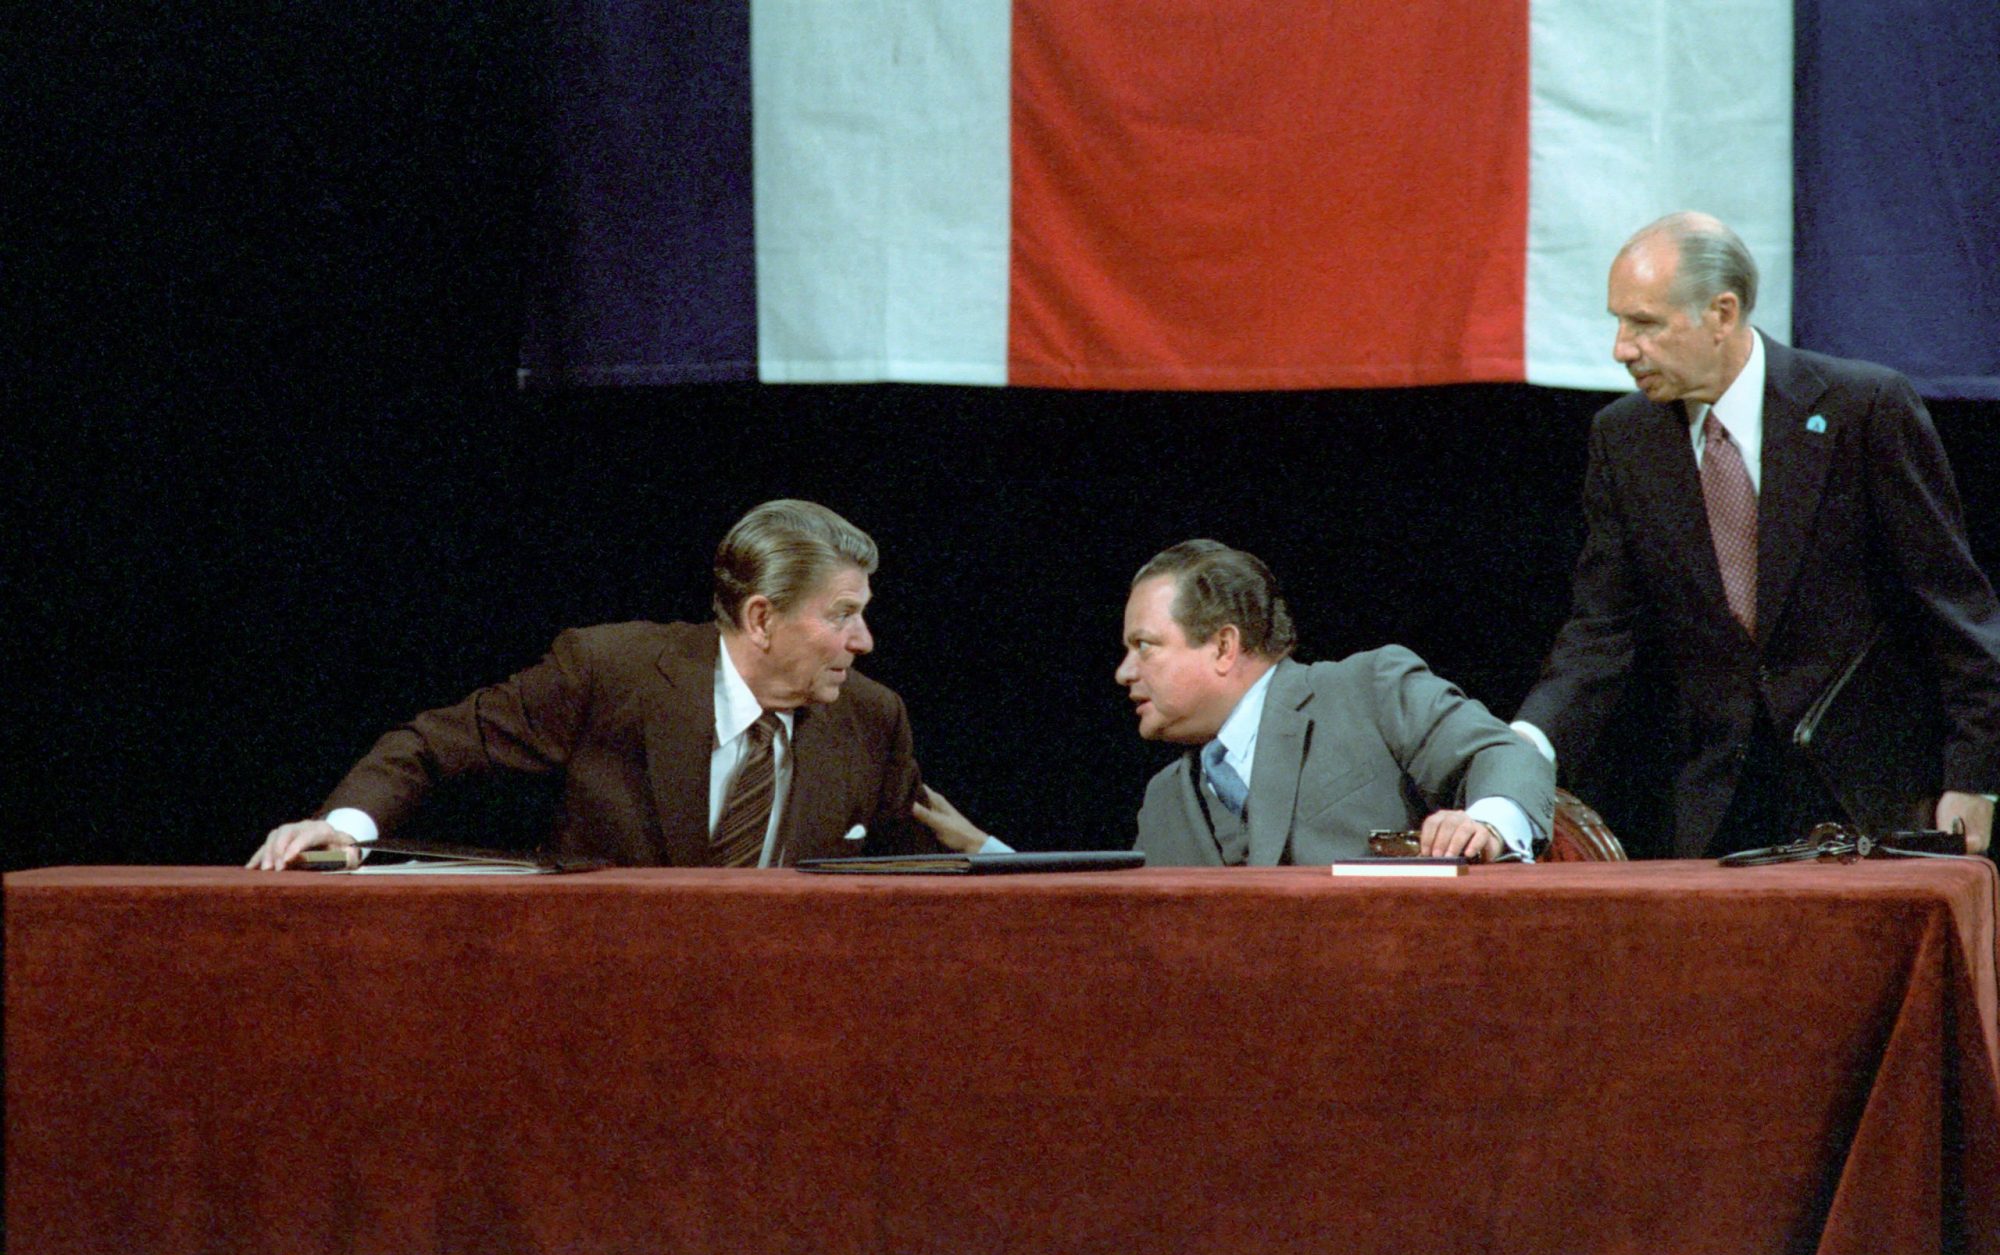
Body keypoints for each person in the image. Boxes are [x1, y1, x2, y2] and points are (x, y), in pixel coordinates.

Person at [1514, 212, 2000, 857]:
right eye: (1619, 322)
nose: (1622, 348)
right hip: (1715, 808)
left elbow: (1954, 611)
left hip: (1875, 798)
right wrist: (1521, 750)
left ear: (1722, 313)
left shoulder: (1864, 408)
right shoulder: (1623, 438)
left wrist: (1975, 779)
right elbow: (1600, 633)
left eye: (1645, 323)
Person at [249, 499, 975, 869]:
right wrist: (341, 832)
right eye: (843, 616)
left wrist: (995, 859)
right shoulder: (610, 672)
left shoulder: (872, 719)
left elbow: (931, 856)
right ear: (761, 618)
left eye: (864, 615)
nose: (864, 642)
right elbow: (431, 746)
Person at [1118, 539, 1553, 865]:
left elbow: (1504, 753)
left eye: (1145, 645)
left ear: (1223, 647)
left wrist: (1486, 826)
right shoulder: (1163, 803)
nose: (1125, 672)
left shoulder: (1369, 691)